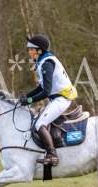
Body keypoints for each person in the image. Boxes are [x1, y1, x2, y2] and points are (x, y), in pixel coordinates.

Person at [18, 34, 78, 166]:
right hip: (57, 98)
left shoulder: (47, 64)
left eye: (31, 50)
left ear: (39, 50)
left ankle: (52, 155)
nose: (29, 52)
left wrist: (29, 100)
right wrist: (27, 96)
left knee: (40, 124)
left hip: (61, 99)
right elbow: (41, 86)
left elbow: (46, 92)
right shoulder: (43, 62)